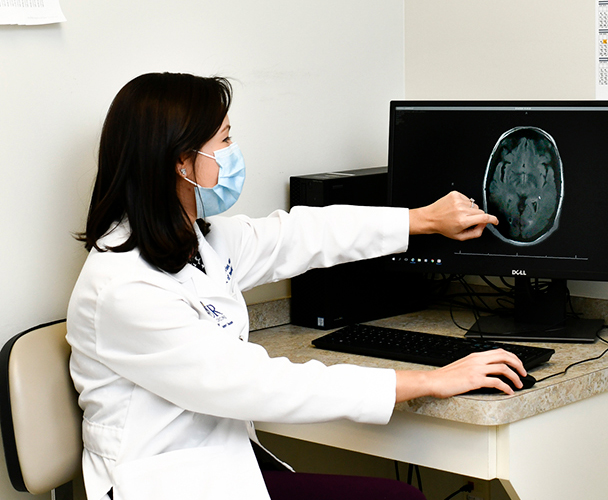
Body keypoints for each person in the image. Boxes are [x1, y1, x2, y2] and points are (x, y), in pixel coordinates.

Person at [66, 72, 523, 500]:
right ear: (183, 163)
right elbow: (260, 384)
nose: (233, 151)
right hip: (163, 484)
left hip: (218, 466)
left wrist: (421, 220)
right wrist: (428, 380)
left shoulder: (198, 241)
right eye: (224, 140)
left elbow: (302, 235)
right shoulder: (124, 289)